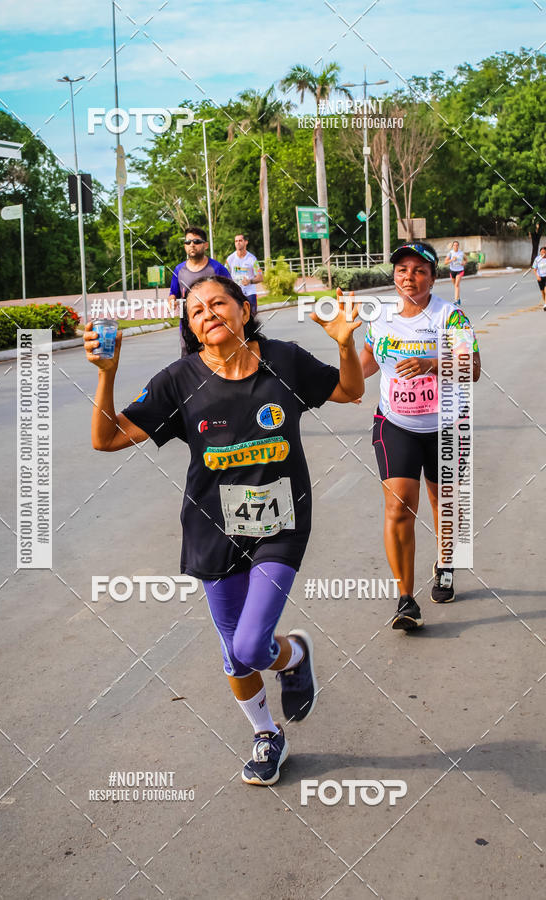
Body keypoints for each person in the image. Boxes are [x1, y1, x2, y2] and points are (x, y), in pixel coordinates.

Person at [84, 275, 364, 785]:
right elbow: (106, 438)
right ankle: (266, 734)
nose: (208, 313)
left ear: (244, 308)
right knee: (233, 650)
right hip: (213, 528)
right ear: (190, 326)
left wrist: (345, 344)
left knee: (252, 645)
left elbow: (350, 390)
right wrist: (107, 372)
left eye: (218, 303)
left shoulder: (283, 359)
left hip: (281, 522)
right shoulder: (179, 379)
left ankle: (293, 654)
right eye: (196, 311)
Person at [359, 241, 481, 631]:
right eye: (402, 270)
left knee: (443, 501)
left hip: (446, 424)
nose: (409, 277)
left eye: (418, 271)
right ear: (393, 275)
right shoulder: (380, 316)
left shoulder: (451, 316)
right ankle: (405, 599)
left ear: (433, 276)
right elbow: (363, 367)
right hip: (396, 423)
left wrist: (431, 363)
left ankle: (446, 561)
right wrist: (340, 348)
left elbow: (473, 367)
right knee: (399, 506)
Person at [169, 226, 230, 356]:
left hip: (212, 324)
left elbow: (231, 295)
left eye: (196, 242)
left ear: (205, 245)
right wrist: (172, 300)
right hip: (187, 326)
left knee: (213, 358)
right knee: (188, 361)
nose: (192, 245)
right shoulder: (179, 270)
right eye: (188, 242)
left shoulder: (217, 269)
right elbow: (173, 293)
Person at [224, 233, 264, 314]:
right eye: (236, 241)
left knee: (252, 318)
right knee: (237, 318)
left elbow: (260, 277)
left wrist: (250, 281)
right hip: (236, 293)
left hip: (250, 293)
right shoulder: (230, 259)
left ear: (246, 242)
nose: (238, 243)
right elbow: (224, 275)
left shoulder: (252, 259)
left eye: (240, 240)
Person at [444, 240, 466, 304]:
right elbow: (445, 262)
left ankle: (456, 300)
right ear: (452, 246)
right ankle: (458, 299)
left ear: (458, 246)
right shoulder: (450, 253)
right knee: (455, 286)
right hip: (452, 270)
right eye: (454, 245)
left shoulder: (461, 253)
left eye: (457, 245)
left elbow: (466, 260)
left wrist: (464, 263)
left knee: (456, 285)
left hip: (460, 270)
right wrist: (452, 260)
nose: (455, 246)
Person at [532, 246, 546, 310]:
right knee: (542, 292)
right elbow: (534, 269)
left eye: (544, 252)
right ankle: (545, 302)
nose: (543, 253)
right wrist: (537, 276)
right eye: (541, 252)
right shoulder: (537, 259)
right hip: (540, 277)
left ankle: (545, 304)